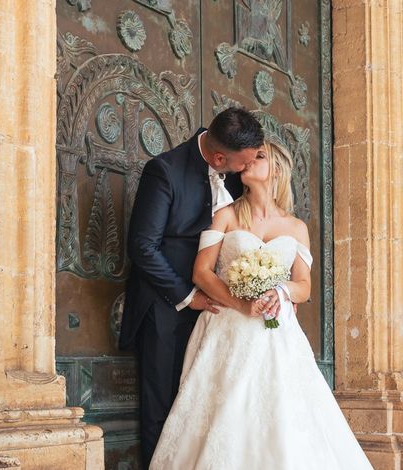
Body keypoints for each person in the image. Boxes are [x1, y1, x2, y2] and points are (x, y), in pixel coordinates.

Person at [149, 139, 372, 469]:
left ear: (278, 169)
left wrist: (280, 292)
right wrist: (240, 304)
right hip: (227, 328)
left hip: (276, 335)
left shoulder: (296, 228)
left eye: (261, 156)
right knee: (225, 411)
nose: (250, 160)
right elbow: (201, 273)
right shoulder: (225, 215)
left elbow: (304, 286)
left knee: (282, 416)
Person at [119, 107, 266, 468]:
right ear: (219, 157)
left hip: (220, 313)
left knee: (206, 403)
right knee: (165, 406)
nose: (247, 168)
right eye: (242, 163)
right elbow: (143, 246)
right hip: (167, 307)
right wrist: (189, 296)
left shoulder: (238, 175)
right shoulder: (164, 171)